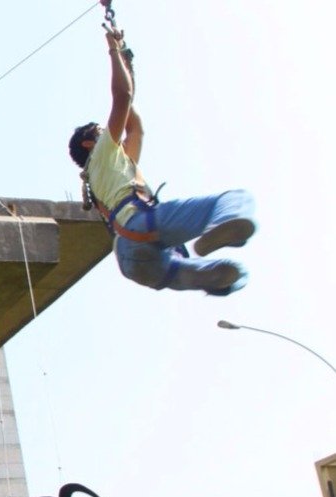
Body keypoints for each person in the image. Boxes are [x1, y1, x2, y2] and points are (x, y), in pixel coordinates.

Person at [68, 26, 255, 296]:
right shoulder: (102, 152)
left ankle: (205, 274)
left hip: (130, 256)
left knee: (179, 268)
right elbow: (123, 97)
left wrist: (125, 59)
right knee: (235, 200)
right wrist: (113, 50)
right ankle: (223, 224)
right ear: (89, 143)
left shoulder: (105, 171)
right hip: (143, 225)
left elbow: (135, 126)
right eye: (101, 129)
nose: (111, 131)